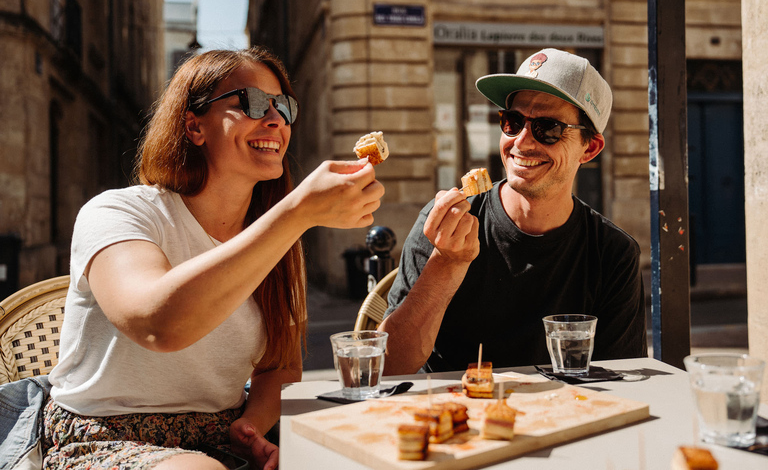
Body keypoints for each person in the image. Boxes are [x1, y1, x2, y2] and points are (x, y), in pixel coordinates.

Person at [43, 47, 384, 470]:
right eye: (253, 103)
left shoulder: (280, 240)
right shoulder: (118, 213)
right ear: (194, 126)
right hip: (106, 433)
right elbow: (159, 326)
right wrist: (296, 214)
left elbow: (279, 367)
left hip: (221, 433)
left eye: (284, 106)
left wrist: (252, 427)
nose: (275, 119)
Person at [379, 48, 646, 375]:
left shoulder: (612, 254)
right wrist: (446, 263)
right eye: (513, 121)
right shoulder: (451, 224)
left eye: (547, 128)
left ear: (589, 148)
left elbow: (622, 381)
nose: (520, 142)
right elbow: (388, 367)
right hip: (453, 415)